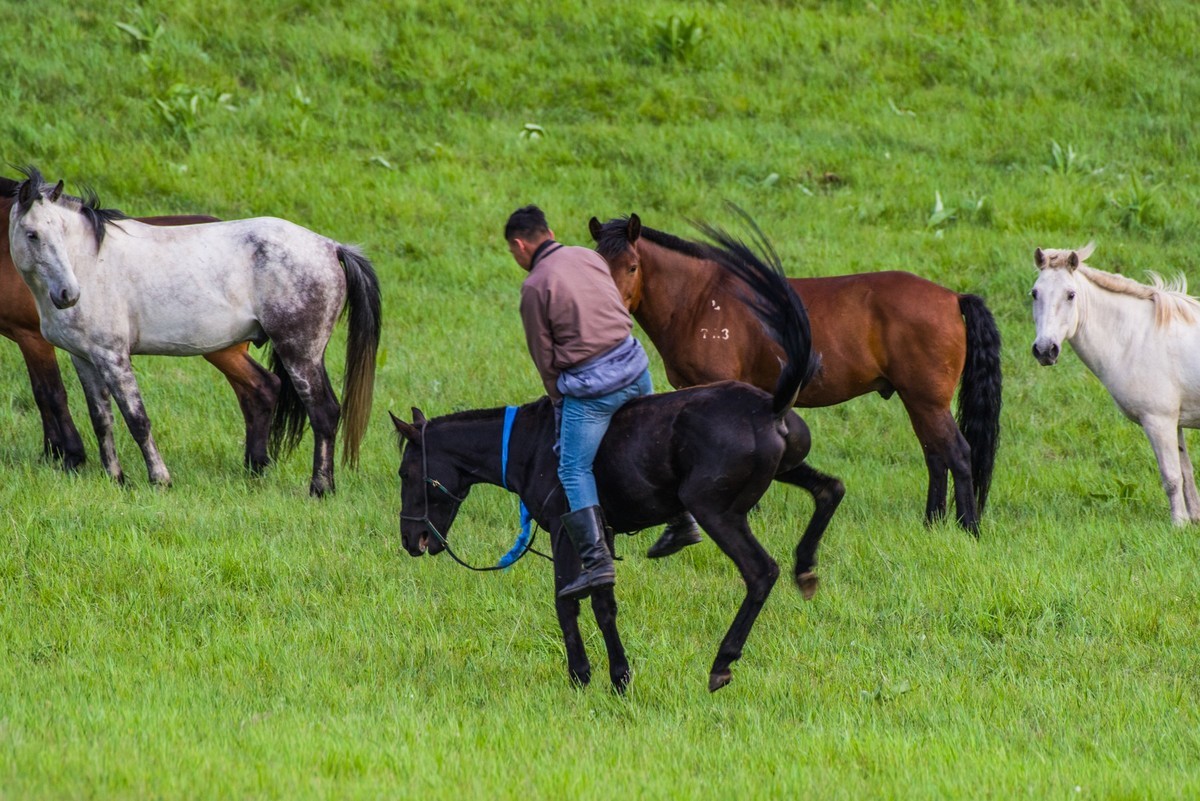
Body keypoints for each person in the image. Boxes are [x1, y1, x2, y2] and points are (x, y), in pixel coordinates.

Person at [506, 204, 683, 600]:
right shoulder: (589, 257)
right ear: (550, 233)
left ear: (520, 246)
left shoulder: (535, 286)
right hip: (636, 369)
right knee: (650, 450)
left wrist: (559, 401)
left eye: (513, 251)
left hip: (595, 390)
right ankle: (682, 518)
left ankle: (597, 562)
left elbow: (544, 358)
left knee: (572, 467)